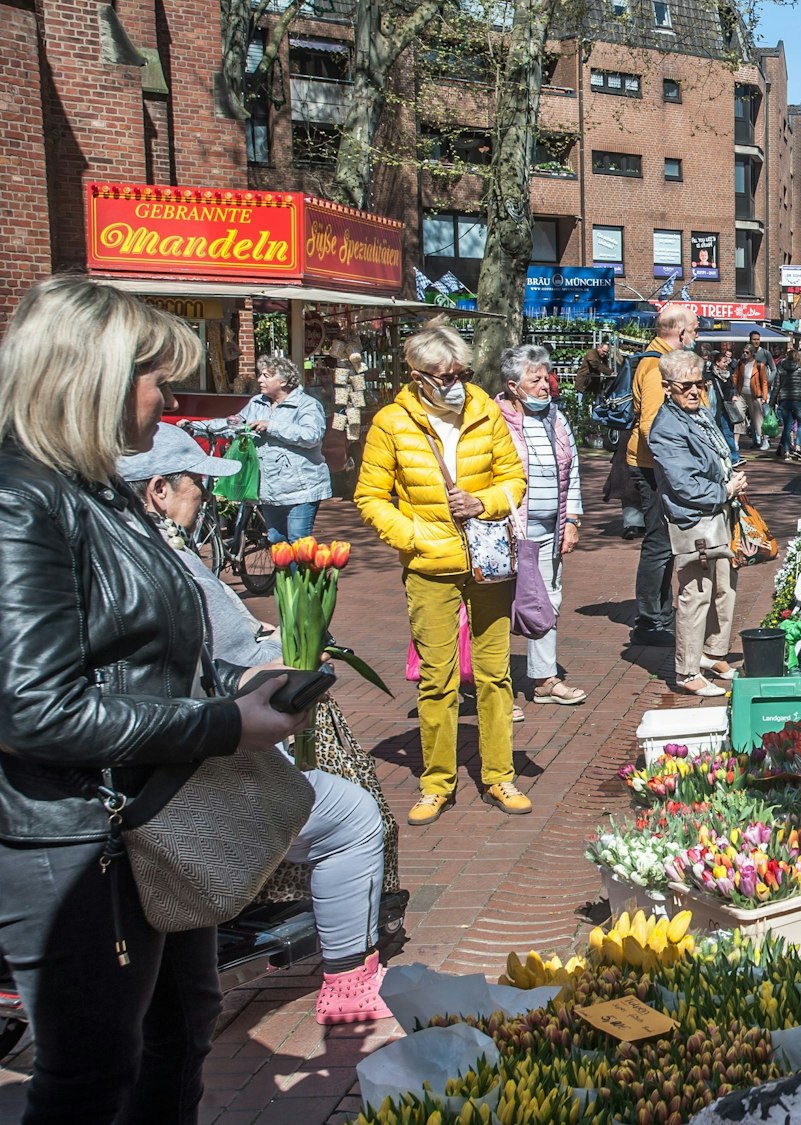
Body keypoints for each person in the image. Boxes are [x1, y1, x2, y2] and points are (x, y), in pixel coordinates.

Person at [0, 276, 311, 1123]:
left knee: (179, 1031)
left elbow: (139, 648)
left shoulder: (101, 489)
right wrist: (221, 722)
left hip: (153, 818)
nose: (170, 398)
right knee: (92, 1072)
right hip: (77, 838)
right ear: (91, 375)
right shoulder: (21, 500)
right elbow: (34, 708)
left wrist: (236, 684)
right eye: (157, 378)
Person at [118, 424, 392, 1026]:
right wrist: (275, 665)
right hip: (181, 761)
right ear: (159, 490)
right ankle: (349, 979)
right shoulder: (166, 564)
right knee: (352, 815)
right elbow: (207, 665)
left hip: (146, 752)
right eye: (196, 484)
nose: (206, 497)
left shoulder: (114, 549)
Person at [353, 319, 530, 826]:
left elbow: (513, 478)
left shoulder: (485, 411)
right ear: (415, 374)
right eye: (442, 374)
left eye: (460, 372)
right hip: (430, 567)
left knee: (496, 675)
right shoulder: (392, 421)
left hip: (488, 561)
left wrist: (484, 501)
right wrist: (413, 537)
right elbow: (370, 497)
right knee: (437, 679)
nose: (454, 381)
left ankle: (500, 775)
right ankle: (437, 782)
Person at [648, 349, 745, 696]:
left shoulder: (699, 413)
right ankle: (687, 671)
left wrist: (730, 476)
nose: (694, 391)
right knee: (695, 593)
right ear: (666, 386)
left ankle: (712, 653)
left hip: (718, 511)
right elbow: (683, 483)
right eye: (685, 385)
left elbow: (718, 454)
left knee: (725, 587)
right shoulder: (666, 427)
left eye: (699, 383)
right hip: (693, 519)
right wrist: (725, 488)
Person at [496, 345, 587, 711]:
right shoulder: (493, 420)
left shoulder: (556, 418)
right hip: (508, 530)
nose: (545, 386)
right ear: (513, 386)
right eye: (535, 380)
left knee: (548, 601)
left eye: (546, 377)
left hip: (552, 528)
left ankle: (545, 678)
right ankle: (496, 689)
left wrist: (573, 520)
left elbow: (573, 470)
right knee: (500, 606)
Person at [186, 352, 333, 542]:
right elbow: (234, 425)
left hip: (301, 487)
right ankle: (284, 573)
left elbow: (311, 436)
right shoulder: (256, 403)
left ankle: (301, 573)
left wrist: (272, 426)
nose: (259, 379)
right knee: (276, 539)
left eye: (266, 375)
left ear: (284, 380)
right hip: (270, 487)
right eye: (260, 374)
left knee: (298, 541)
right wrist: (196, 427)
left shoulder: (306, 405)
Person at [627, 304, 698, 647]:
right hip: (653, 467)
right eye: (694, 330)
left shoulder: (661, 361)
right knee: (658, 542)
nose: (696, 336)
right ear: (680, 332)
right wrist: (673, 468)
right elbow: (652, 427)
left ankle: (660, 612)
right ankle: (650, 619)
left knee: (665, 542)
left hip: (657, 466)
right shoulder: (657, 367)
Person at [772, 340, 801, 461]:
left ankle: (786, 451)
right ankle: (798, 447)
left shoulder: (780, 369)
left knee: (787, 426)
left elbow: (776, 386)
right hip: (798, 399)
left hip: (784, 399)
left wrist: (772, 402)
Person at [702, 343, 743, 466]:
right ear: (717, 363)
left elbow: (732, 387)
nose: (726, 364)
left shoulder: (728, 374)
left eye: (727, 361)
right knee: (719, 431)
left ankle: (734, 457)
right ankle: (725, 458)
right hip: (716, 408)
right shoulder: (710, 375)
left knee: (728, 432)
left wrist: (734, 394)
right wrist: (706, 385)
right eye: (724, 362)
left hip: (727, 406)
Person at [737, 331, 772, 451]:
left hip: (760, 391)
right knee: (746, 416)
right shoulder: (744, 355)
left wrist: (768, 382)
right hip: (744, 391)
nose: (756, 341)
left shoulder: (765, 353)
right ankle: (755, 440)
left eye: (758, 339)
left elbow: (773, 369)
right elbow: (737, 373)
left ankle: (764, 439)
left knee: (761, 415)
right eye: (754, 339)